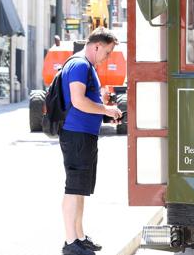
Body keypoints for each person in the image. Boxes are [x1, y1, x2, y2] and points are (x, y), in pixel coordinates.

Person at [60, 27, 122, 255]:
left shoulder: (86, 65)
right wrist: (106, 108)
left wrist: (104, 111)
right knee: (73, 188)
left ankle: (79, 236)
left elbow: (86, 101)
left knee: (80, 188)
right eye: (107, 52)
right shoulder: (79, 65)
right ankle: (70, 242)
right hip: (76, 134)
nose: (107, 58)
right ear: (97, 46)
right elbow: (77, 101)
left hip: (83, 134)